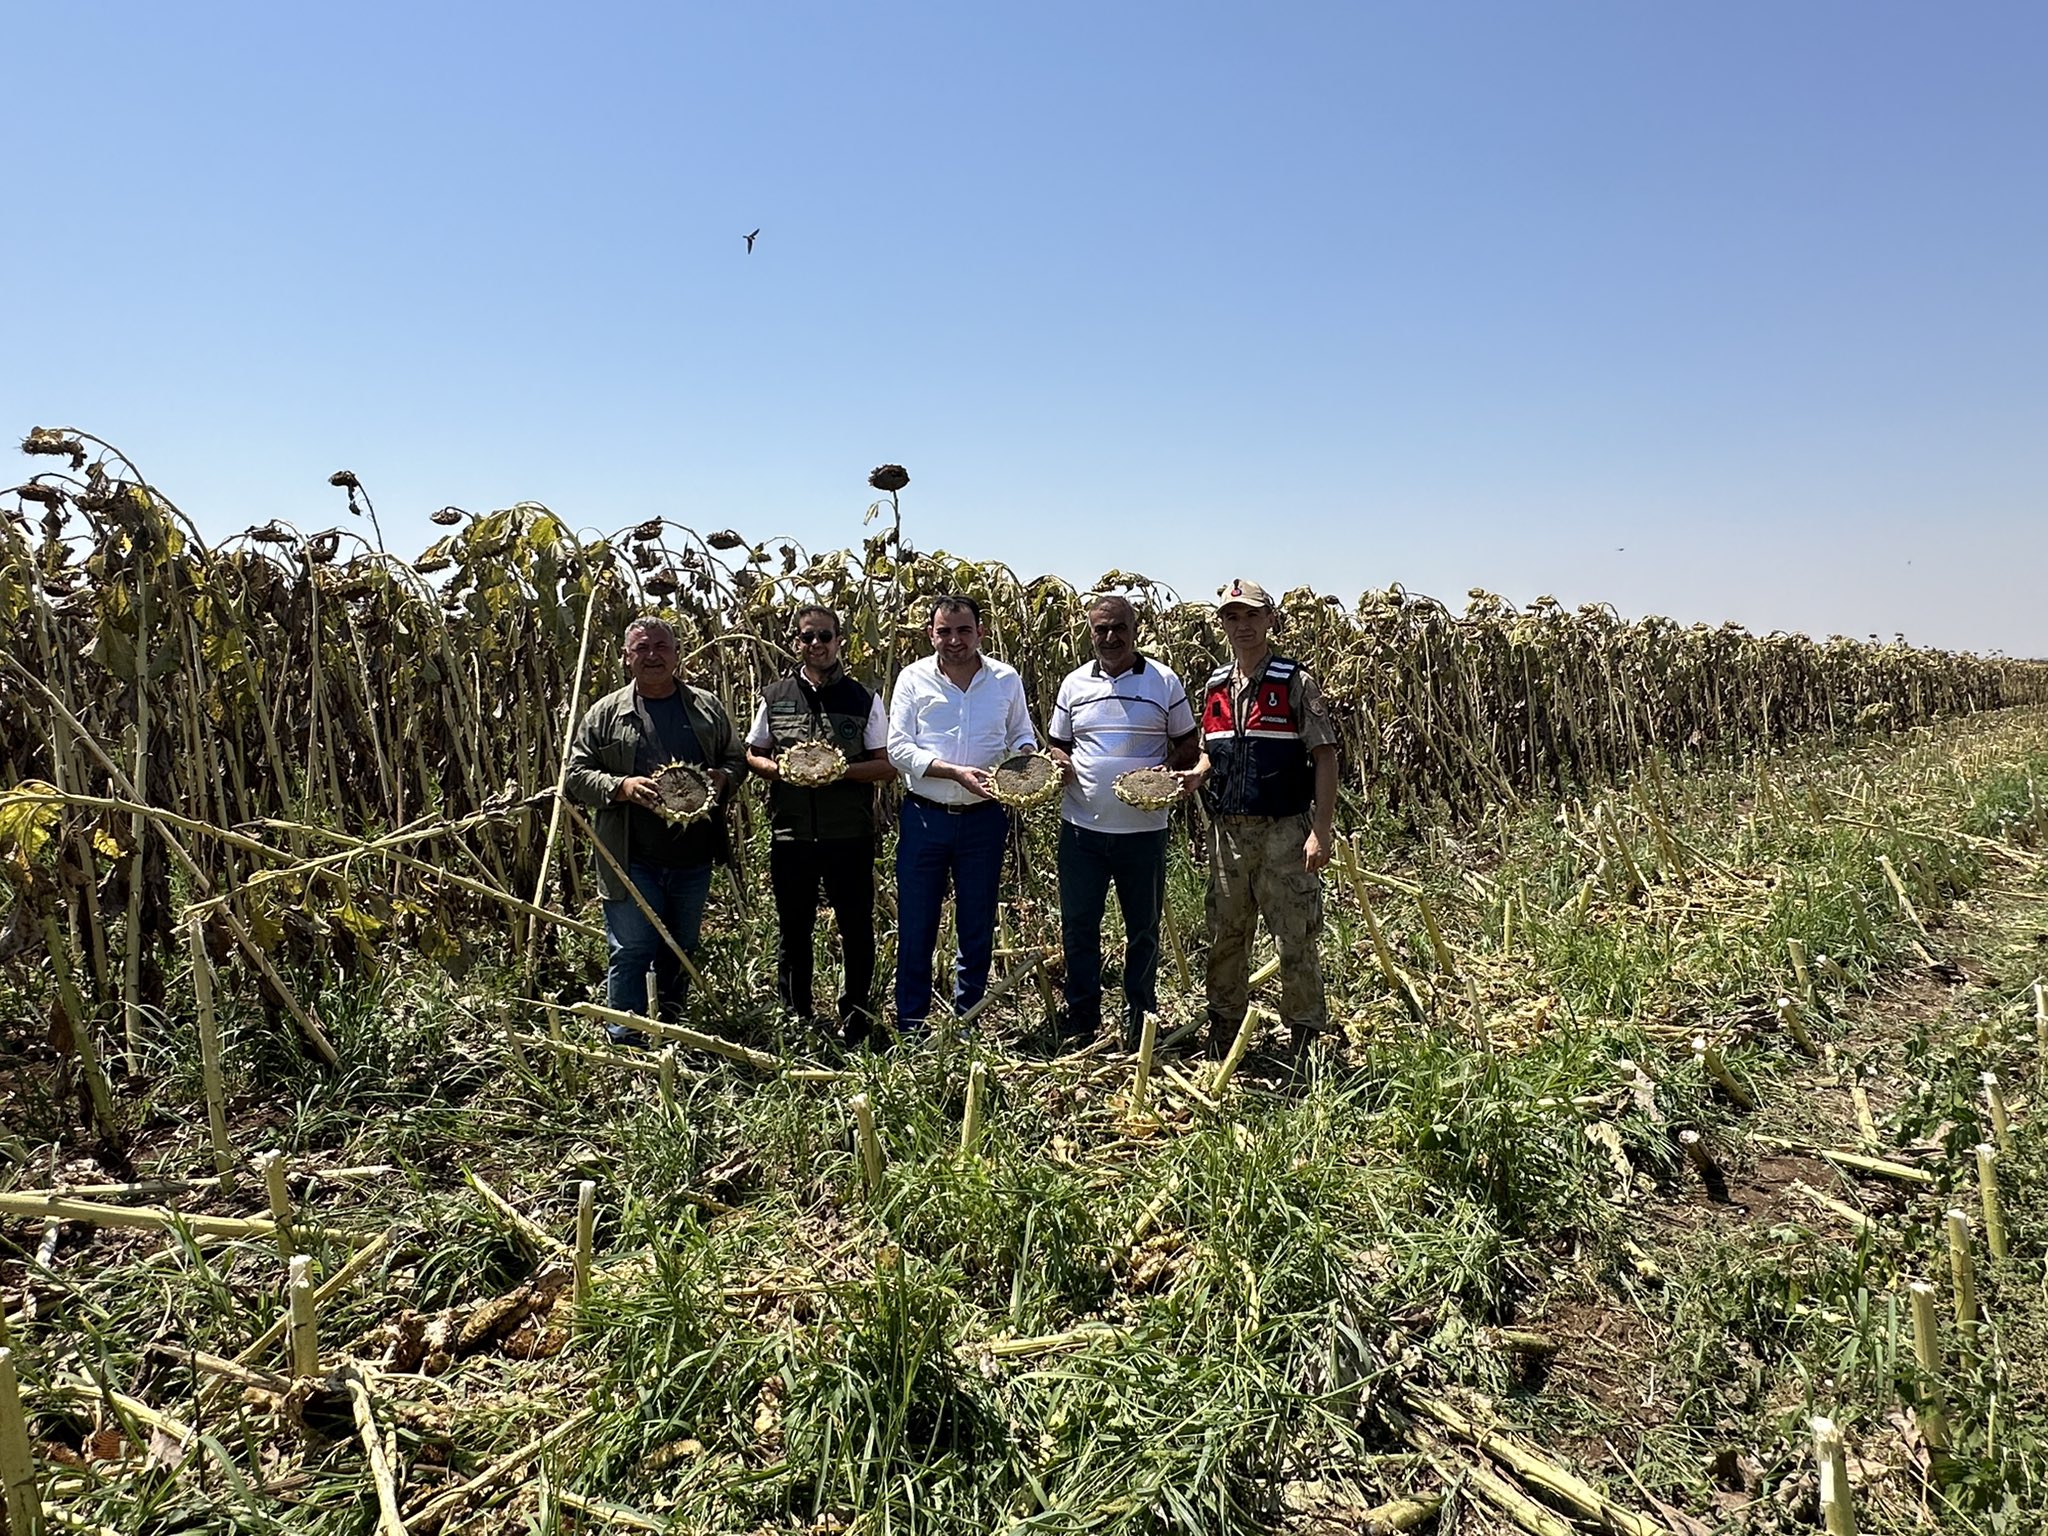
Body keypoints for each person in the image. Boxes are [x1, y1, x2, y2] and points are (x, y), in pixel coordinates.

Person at [566, 616, 744, 1043]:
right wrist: (621, 787)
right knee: (631, 949)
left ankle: (670, 1026)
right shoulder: (606, 713)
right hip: (629, 856)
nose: (652, 656)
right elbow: (574, 775)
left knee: (680, 948)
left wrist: (721, 778)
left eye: (661, 647)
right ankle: (625, 1038)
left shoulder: (705, 708)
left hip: (693, 857)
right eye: (641, 649)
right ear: (627, 658)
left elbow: (736, 761)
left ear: (677, 654)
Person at [1045, 594, 1200, 1049]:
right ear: (1089, 632)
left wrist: (1160, 774)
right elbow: (1058, 743)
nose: (1110, 637)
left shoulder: (1162, 681)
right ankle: (1083, 1016)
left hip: (1143, 832)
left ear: (1135, 629)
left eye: (1119, 628)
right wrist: (1062, 765)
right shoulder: (1074, 684)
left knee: (1143, 928)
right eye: (1100, 629)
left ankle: (1140, 1017)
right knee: (1079, 924)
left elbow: (1189, 743)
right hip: (1081, 828)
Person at [1191, 579, 1339, 1057]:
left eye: (1251, 615)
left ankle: (1306, 1042)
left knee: (1294, 938)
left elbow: (1325, 756)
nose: (1242, 626)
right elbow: (1213, 754)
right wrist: (1193, 777)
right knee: (1226, 937)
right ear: (1222, 626)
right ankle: (1225, 1033)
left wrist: (1321, 831)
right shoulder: (1215, 686)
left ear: (1270, 619)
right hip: (1228, 835)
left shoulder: (1294, 681)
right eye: (1232, 617)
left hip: (1284, 833)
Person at [886, 594, 1039, 1033]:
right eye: (944, 631)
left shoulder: (1005, 680)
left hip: (983, 818)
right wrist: (953, 771)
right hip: (925, 816)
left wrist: (1027, 760)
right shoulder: (913, 679)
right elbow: (898, 748)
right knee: (917, 922)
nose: (954, 640)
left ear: (981, 632)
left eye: (963, 630)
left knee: (976, 923)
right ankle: (911, 1023)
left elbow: (1020, 733)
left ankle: (967, 1019)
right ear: (931, 634)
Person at [743, 605, 895, 1044]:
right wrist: (777, 771)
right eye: (808, 637)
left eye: (825, 637)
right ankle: (797, 1016)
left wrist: (838, 771)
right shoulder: (774, 696)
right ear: (796, 642)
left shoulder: (864, 699)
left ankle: (858, 1015)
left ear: (839, 641)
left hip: (849, 832)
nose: (817, 645)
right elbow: (754, 752)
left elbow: (885, 766)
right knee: (793, 928)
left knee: (855, 926)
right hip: (791, 832)